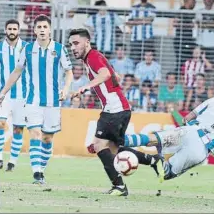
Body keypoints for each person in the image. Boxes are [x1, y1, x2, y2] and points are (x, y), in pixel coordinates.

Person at [122, 83, 214, 188]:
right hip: (200, 149)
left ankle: (116, 141)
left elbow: (187, 118)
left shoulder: (213, 101)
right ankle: (154, 160)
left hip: (189, 132)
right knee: (166, 173)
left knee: (150, 140)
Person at [68, 28, 163, 196]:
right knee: (112, 149)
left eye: (76, 43)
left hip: (114, 110)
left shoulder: (92, 57)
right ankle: (153, 160)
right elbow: (115, 76)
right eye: (70, 45)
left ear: (87, 42)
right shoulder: (94, 57)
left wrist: (86, 86)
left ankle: (119, 186)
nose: (73, 48)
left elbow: (104, 74)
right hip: (119, 108)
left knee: (99, 146)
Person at [0, 15, 73, 184]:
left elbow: (69, 71)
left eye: (44, 27)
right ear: (34, 30)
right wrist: (3, 92)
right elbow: (16, 72)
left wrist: (66, 89)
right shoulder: (28, 49)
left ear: (49, 30)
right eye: (39, 27)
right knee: (35, 134)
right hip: (32, 101)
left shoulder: (59, 49)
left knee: (47, 138)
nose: (42, 30)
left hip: (53, 102)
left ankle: (42, 169)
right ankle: (37, 173)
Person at [0, 19, 27, 171]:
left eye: (14, 29)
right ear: (5, 30)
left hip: (22, 95)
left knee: (18, 129)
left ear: (18, 30)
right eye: (9, 29)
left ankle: (13, 161)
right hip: (4, 94)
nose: (12, 31)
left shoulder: (26, 48)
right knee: (0, 124)